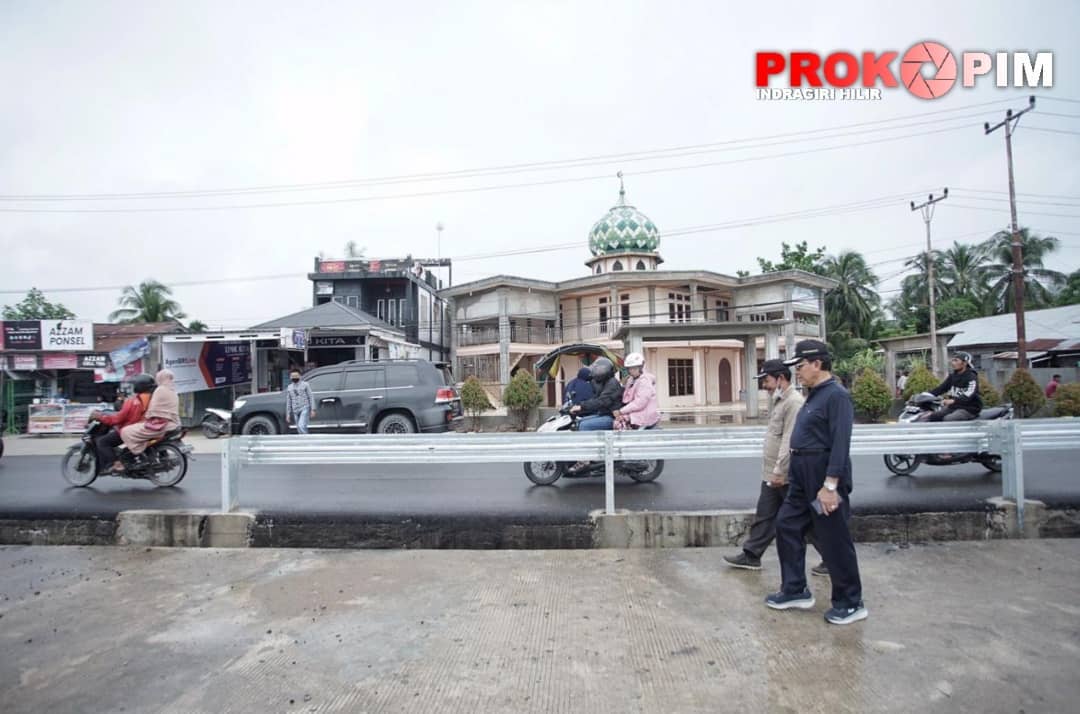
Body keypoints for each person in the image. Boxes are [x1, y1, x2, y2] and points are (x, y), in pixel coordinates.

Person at [768, 340, 866, 626]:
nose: (797, 372)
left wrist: (830, 486)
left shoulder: (836, 396)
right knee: (786, 525)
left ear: (817, 364)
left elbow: (840, 443)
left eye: (800, 366)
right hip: (801, 476)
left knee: (833, 538)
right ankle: (795, 589)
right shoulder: (814, 395)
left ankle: (850, 602)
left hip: (823, 475)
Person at [724, 359, 827, 576]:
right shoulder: (781, 401)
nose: (765, 386)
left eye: (767, 381)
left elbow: (789, 440)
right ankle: (752, 554)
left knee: (807, 518)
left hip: (785, 474)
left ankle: (831, 558)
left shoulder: (794, 403)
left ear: (780, 378)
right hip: (772, 472)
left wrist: (780, 470)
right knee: (765, 515)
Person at [567, 357, 624, 473]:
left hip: (612, 417)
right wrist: (579, 405)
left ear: (606, 370)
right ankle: (589, 454)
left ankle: (584, 460)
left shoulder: (612, 383)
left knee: (584, 426)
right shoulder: (604, 382)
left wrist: (581, 407)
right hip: (604, 413)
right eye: (597, 369)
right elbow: (595, 399)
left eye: (600, 369)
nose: (597, 371)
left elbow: (601, 401)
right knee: (579, 422)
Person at [91, 375, 154, 473]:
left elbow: (117, 419)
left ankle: (117, 464)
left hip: (130, 430)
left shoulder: (133, 401)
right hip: (147, 428)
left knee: (102, 442)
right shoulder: (153, 399)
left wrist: (101, 417)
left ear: (138, 386)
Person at [120, 370, 182, 459]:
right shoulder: (173, 391)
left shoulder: (159, 391)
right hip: (173, 423)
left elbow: (151, 411)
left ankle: (138, 450)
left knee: (126, 431)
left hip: (161, 425)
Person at [928, 351, 982, 421]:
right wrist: (927, 395)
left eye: (956, 360)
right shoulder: (953, 376)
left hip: (969, 409)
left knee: (949, 419)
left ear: (965, 363)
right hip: (954, 407)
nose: (953, 363)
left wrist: (953, 401)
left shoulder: (971, 376)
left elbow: (969, 393)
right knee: (934, 416)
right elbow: (941, 388)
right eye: (953, 360)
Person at [613, 352, 659, 430]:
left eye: (634, 368)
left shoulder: (645, 381)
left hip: (644, 418)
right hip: (636, 415)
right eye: (629, 368)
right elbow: (626, 398)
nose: (631, 371)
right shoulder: (631, 379)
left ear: (641, 367)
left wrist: (621, 411)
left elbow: (639, 403)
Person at [285, 369, 316, 434]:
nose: (294, 378)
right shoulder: (289, 387)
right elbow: (289, 401)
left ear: (300, 376)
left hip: (304, 407)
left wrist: (313, 409)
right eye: (293, 376)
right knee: (299, 429)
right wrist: (288, 414)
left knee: (301, 426)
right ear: (290, 377)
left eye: (296, 376)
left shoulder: (305, 385)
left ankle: (306, 438)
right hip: (295, 410)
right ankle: (304, 439)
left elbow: (311, 397)